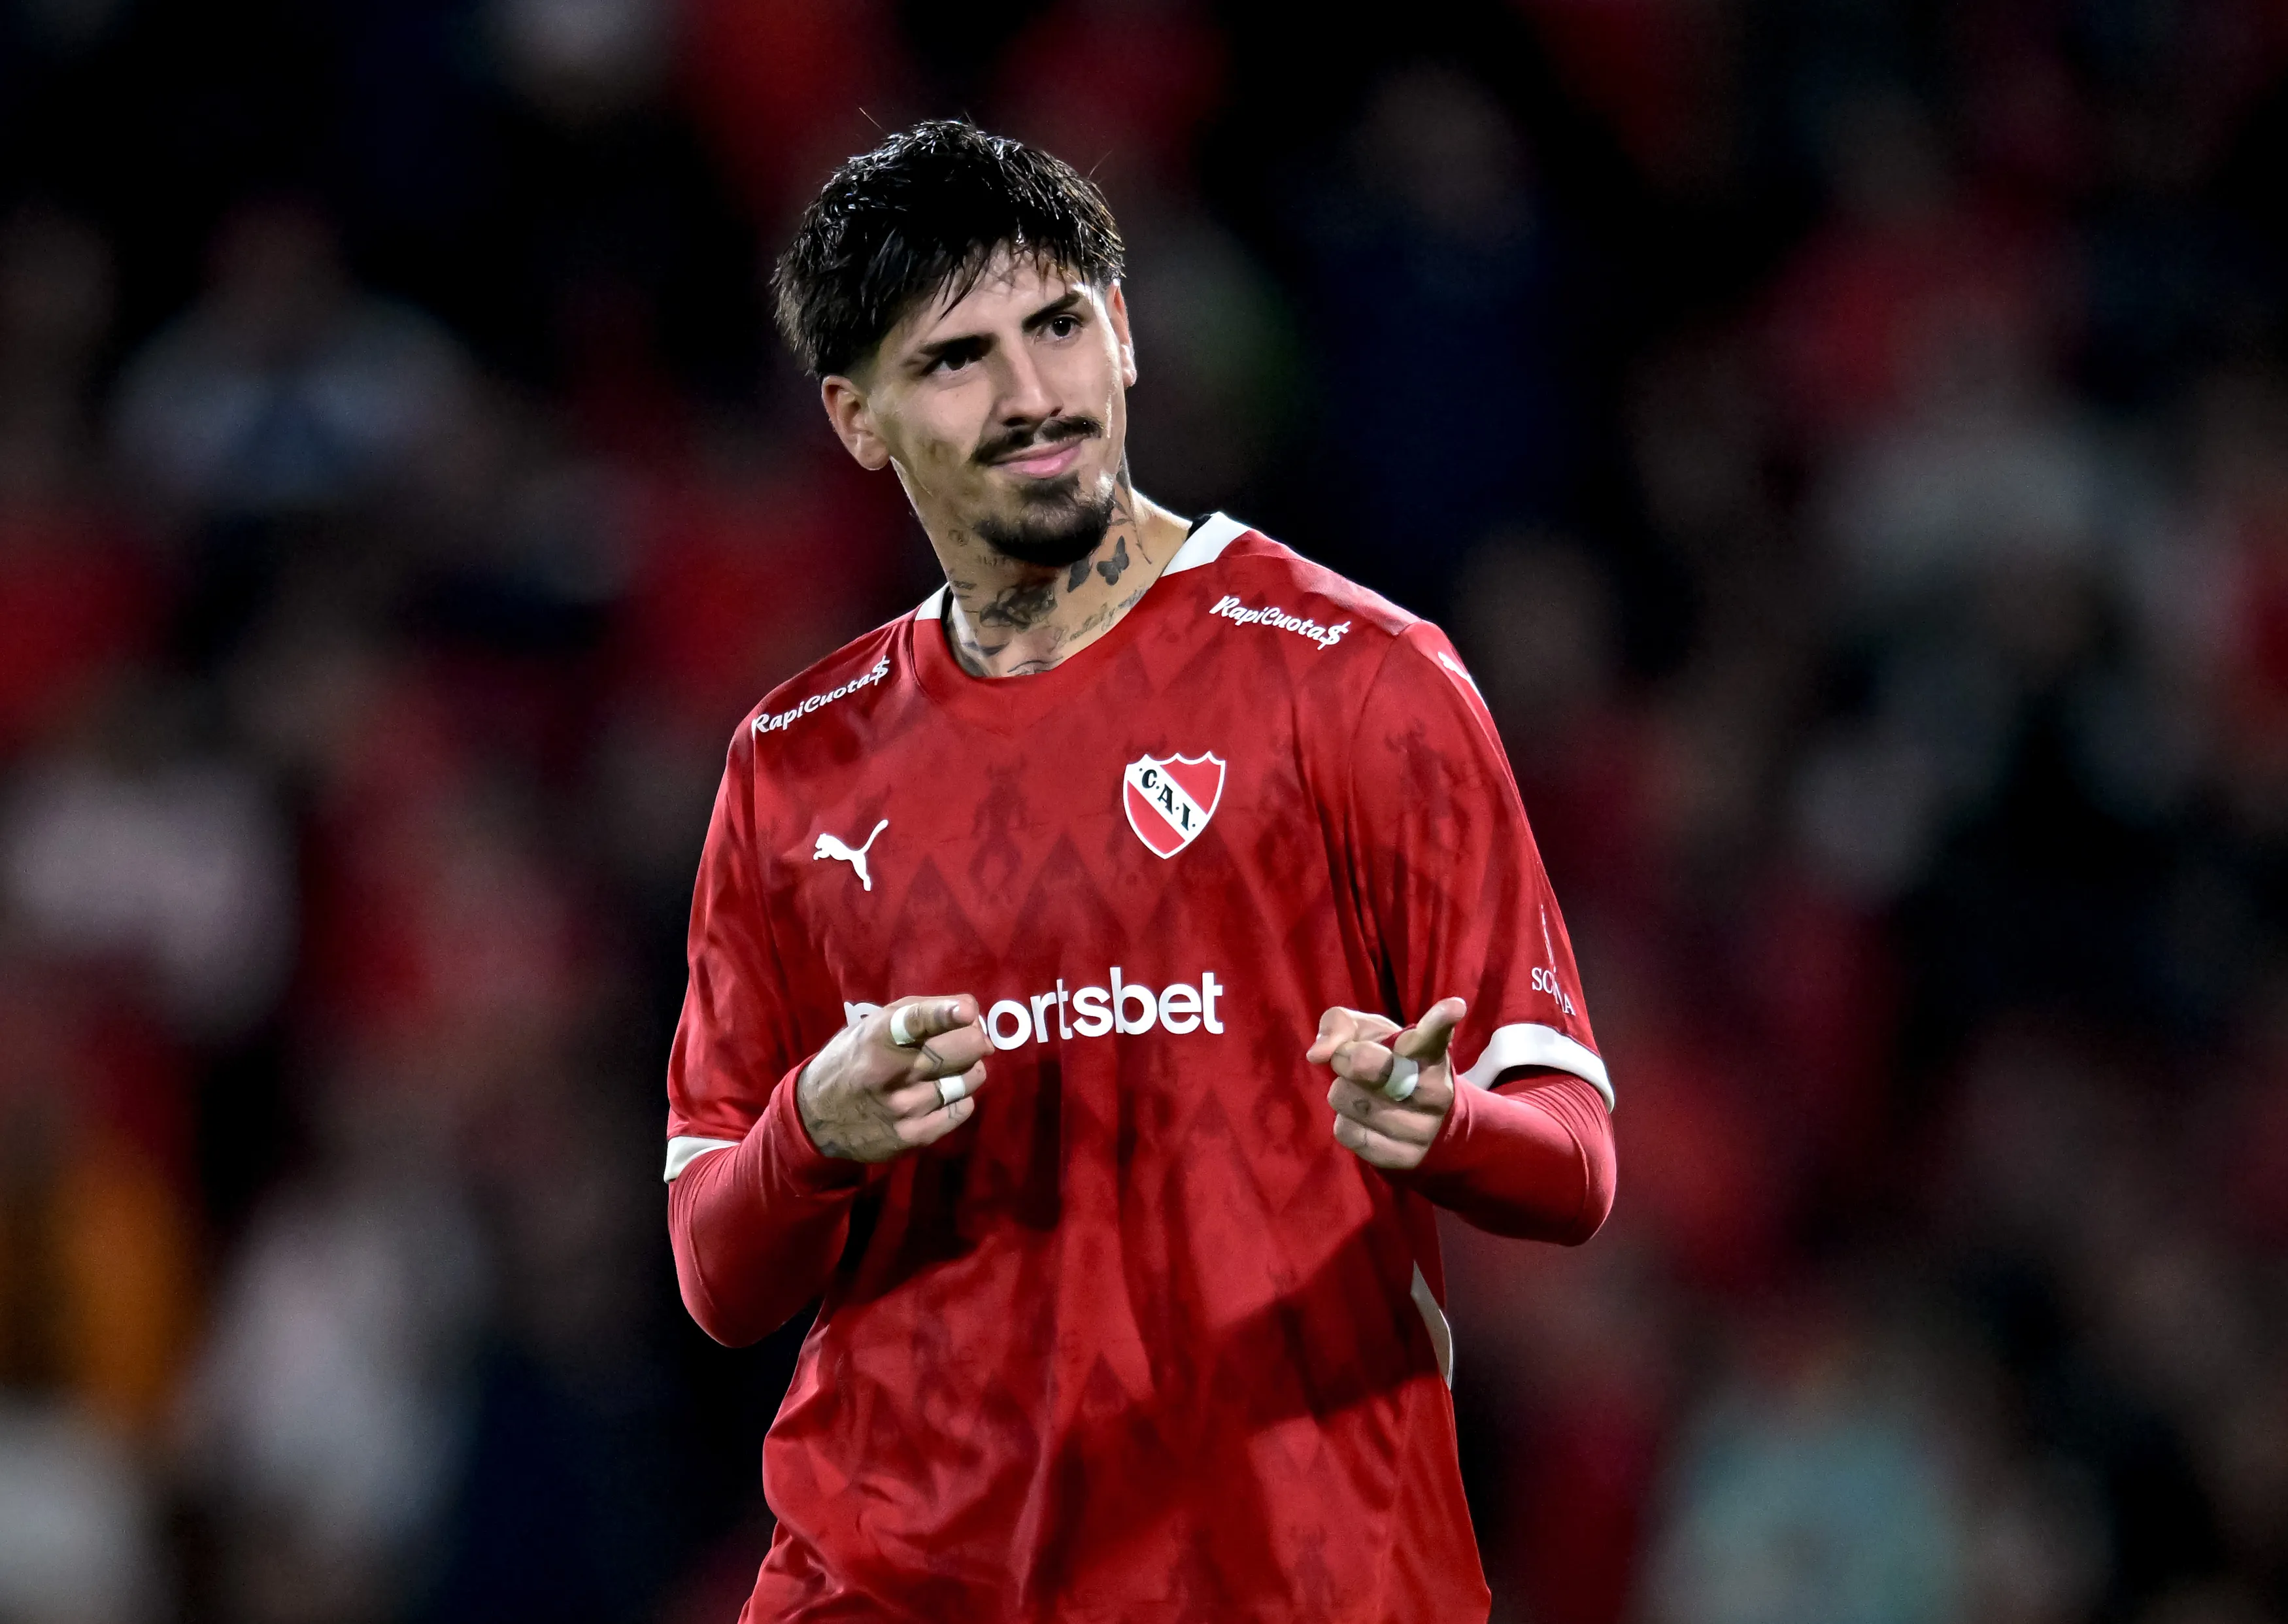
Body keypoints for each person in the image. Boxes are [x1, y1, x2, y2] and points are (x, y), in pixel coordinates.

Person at [664, 120, 1617, 1621]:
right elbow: (716, 1274)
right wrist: (813, 1133)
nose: (1034, 394)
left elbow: (1574, 1162)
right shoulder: (794, 762)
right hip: (901, 1575)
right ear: (858, 417)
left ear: (1123, 333)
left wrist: (1446, 1127)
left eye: (1057, 327)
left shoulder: (1358, 682)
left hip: (1282, 1573)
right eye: (957, 358)